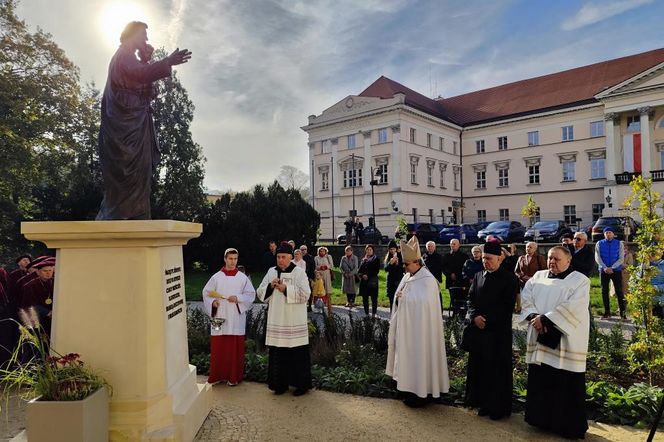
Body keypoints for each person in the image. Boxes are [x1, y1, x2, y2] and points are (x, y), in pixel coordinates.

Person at [96, 21, 191, 220]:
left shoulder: (131, 58)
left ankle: (136, 213)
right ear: (132, 34)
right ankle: (123, 214)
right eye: (143, 35)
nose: (146, 39)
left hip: (137, 121)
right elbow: (139, 74)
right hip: (125, 126)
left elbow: (146, 87)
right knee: (127, 168)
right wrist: (166, 62)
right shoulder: (123, 55)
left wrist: (148, 61)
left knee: (140, 170)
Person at [519, 246, 590, 440]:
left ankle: (568, 426)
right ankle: (541, 420)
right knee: (542, 379)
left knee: (565, 383)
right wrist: (535, 317)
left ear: (568, 261)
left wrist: (547, 320)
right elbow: (526, 298)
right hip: (539, 334)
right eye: (550, 258)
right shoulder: (538, 277)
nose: (552, 262)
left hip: (566, 340)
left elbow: (575, 306)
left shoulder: (580, 280)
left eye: (557, 259)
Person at [386, 236, 449, 407]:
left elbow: (424, 305)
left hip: (421, 332)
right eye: (403, 265)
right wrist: (399, 299)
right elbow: (400, 298)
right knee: (408, 358)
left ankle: (422, 393)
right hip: (408, 329)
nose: (404, 268)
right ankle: (408, 388)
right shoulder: (408, 276)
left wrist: (403, 299)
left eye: (406, 265)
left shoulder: (427, 280)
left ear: (416, 262)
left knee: (421, 358)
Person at [465, 242, 518, 420]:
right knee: (480, 369)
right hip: (479, 333)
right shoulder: (478, 276)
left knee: (496, 371)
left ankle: (497, 408)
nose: (485, 262)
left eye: (489, 259)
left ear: (499, 259)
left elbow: (506, 307)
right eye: (484, 258)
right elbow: (470, 300)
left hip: (497, 334)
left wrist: (486, 321)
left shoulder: (509, 279)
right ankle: (482, 403)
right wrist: (474, 317)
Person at [256, 242, 312, 396]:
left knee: (297, 354)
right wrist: (269, 286)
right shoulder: (271, 272)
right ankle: (279, 385)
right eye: (278, 257)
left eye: (283, 257)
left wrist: (286, 289)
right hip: (277, 320)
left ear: (290, 257)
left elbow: (306, 294)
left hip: (294, 321)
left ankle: (301, 385)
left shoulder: (299, 273)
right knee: (278, 353)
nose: (280, 260)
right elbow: (260, 292)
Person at [202, 248, 256, 386]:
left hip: (235, 317)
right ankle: (217, 376)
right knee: (218, 346)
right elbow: (206, 293)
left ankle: (233, 377)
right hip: (218, 316)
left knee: (234, 347)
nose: (233, 262)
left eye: (235, 259)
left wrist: (237, 297)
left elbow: (251, 295)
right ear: (225, 259)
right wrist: (213, 302)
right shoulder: (216, 277)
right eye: (230, 259)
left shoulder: (242, 278)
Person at [595, 227, 626, 319]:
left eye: (610, 232)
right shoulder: (599, 243)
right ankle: (607, 312)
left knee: (619, 291)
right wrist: (605, 267)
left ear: (613, 234)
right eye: (606, 233)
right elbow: (597, 257)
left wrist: (612, 267)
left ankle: (623, 314)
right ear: (604, 234)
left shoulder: (619, 243)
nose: (608, 234)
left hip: (616, 270)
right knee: (604, 291)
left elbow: (621, 258)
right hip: (603, 270)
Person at [20, 258, 56, 336]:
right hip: (38, 319)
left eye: (50, 270)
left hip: (55, 318)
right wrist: (48, 312)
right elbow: (28, 304)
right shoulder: (30, 286)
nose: (48, 273)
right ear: (38, 272)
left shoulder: (57, 283)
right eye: (45, 271)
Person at [358, 244, 381, 318]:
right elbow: (359, 271)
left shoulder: (376, 259)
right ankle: (367, 314)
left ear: (373, 251)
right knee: (365, 299)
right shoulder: (363, 259)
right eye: (367, 249)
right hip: (364, 282)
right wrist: (362, 275)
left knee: (374, 299)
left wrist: (368, 275)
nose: (368, 251)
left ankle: (374, 314)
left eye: (370, 249)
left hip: (372, 281)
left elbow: (376, 271)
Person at [384, 240, 403, 311]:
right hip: (391, 282)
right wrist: (390, 263)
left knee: (399, 301)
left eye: (393, 249)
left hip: (399, 281)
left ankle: (399, 318)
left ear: (396, 249)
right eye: (390, 249)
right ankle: (392, 317)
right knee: (392, 301)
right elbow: (386, 269)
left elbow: (403, 270)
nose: (392, 251)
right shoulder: (388, 257)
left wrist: (397, 264)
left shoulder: (400, 256)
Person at [650, 253, 664, 318]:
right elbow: (634, 280)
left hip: (660, 300)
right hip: (646, 301)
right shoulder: (643, 265)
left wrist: (656, 287)